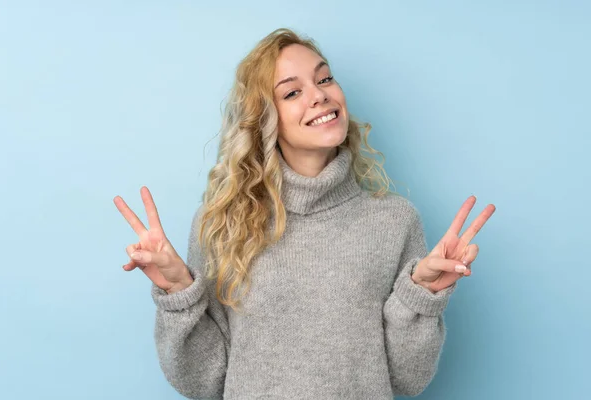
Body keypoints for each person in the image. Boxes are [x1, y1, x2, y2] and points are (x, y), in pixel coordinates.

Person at [113, 28, 496, 399]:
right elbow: (205, 383)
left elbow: (408, 378)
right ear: (265, 118)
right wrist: (179, 292)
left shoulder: (394, 222)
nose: (319, 96)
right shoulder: (222, 225)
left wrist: (423, 293)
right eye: (293, 91)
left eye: (325, 79)